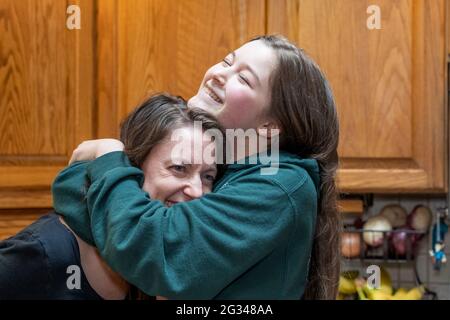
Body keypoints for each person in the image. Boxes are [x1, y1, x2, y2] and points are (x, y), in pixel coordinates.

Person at [53, 35, 341, 299]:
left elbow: (157, 251)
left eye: (243, 78)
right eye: (227, 61)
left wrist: (108, 154)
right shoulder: (222, 165)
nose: (218, 73)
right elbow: (72, 188)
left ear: (269, 126)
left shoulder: (278, 184)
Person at [0, 94, 223, 299]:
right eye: (179, 168)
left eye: (208, 176)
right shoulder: (40, 253)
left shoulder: (161, 256)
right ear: (132, 167)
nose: (197, 191)